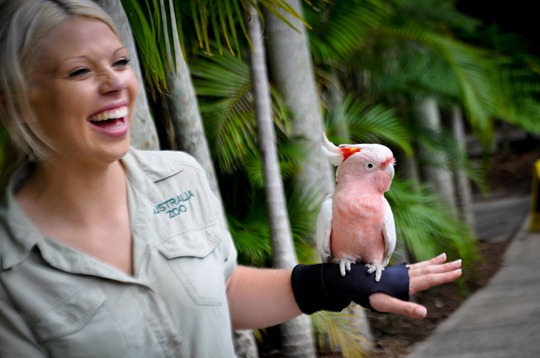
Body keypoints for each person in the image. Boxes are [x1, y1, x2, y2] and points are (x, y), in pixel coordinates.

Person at [0, 0, 463, 356]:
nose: (114, 82)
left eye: (121, 62)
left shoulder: (179, 177)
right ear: (16, 103)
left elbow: (220, 291)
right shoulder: (10, 265)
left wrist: (331, 284)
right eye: (80, 70)